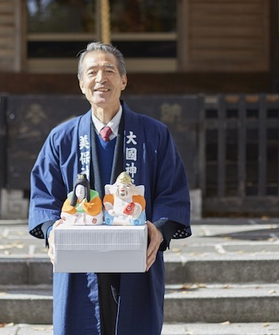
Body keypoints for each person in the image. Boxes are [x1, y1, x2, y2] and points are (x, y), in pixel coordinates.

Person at [28, 42, 192, 335]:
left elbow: (172, 191)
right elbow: (44, 196)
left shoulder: (154, 135)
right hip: (79, 260)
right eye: (92, 72)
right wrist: (52, 231)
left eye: (109, 71)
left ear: (124, 80)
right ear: (81, 84)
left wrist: (160, 228)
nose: (100, 79)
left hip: (137, 256)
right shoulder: (62, 139)